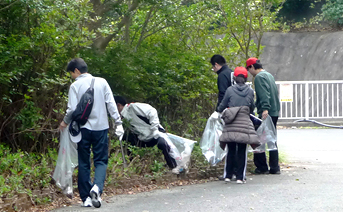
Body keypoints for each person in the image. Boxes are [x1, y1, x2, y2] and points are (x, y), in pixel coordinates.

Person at [58, 58, 124, 208]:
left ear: (76, 70)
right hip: (101, 128)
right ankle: (97, 188)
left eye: (71, 73)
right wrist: (118, 122)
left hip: (83, 129)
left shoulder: (75, 86)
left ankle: (86, 198)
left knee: (84, 162)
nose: (71, 76)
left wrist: (64, 122)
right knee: (101, 160)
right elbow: (111, 104)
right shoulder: (102, 82)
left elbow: (72, 110)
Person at [114, 96, 182, 174]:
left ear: (118, 105)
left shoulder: (132, 107)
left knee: (162, 144)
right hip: (143, 137)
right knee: (126, 140)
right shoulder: (123, 117)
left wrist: (154, 129)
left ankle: (174, 167)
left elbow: (152, 111)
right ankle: (133, 168)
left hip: (155, 133)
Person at [217, 67, 259, 184]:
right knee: (241, 150)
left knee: (230, 149)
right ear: (245, 78)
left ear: (235, 78)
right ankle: (240, 177)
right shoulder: (250, 91)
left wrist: (219, 111)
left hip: (231, 123)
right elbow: (252, 108)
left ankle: (228, 176)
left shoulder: (230, 90)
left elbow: (222, 106)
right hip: (244, 123)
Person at [246, 57, 281, 175]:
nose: (248, 72)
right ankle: (275, 167)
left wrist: (265, 108)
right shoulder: (269, 75)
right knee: (272, 139)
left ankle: (262, 167)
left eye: (248, 69)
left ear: (251, 66)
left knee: (259, 139)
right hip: (274, 111)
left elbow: (264, 94)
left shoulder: (259, 77)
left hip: (266, 112)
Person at [210, 54, 235, 181]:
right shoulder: (231, 73)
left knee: (228, 142)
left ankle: (228, 173)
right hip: (237, 110)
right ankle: (236, 171)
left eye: (212, 67)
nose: (213, 70)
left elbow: (223, 94)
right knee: (236, 142)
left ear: (216, 64)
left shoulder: (222, 75)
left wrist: (218, 110)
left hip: (227, 111)